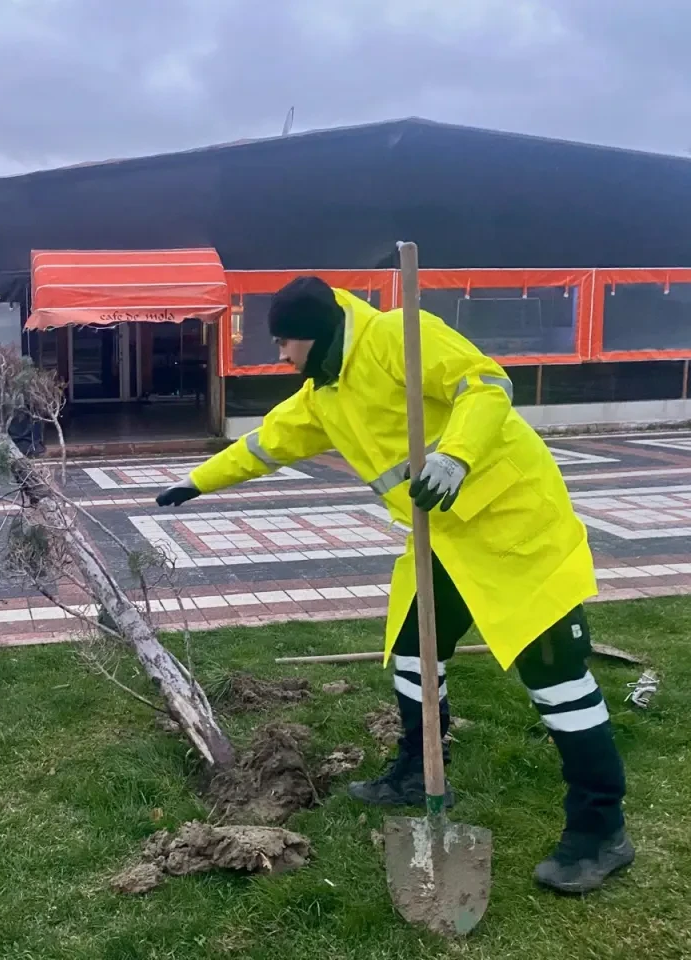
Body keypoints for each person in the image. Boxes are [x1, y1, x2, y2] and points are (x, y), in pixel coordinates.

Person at [155, 276, 631, 895]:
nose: (280, 356)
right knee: (413, 653)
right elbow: (266, 443)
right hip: (441, 540)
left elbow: (484, 384)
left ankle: (601, 830)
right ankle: (417, 769)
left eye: (286, 343)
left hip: (516, 530)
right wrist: (195, 483)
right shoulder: (323, 392)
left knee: (558, 680)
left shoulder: (398, 337)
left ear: (318, 335)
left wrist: (455, 456)